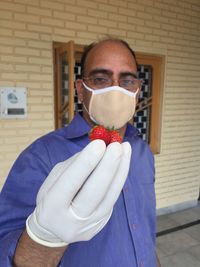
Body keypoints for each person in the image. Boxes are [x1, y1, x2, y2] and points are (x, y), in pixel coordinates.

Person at [0, 38, 161, 267]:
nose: (115, 89)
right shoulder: (40, 157)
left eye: (126, 80)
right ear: (80, 90)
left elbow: (144, 228)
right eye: (100, 79)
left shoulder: (143, 152)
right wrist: (44, 238)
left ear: (137, 91)